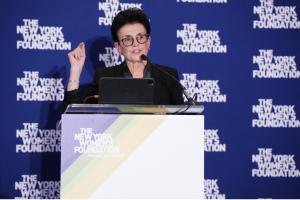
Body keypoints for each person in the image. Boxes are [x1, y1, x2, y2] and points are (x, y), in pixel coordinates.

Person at [63, 8, 183, 106]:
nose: (136, 44)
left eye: (140, 37)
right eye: (128, 39)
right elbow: (73, 117)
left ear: (148, 42)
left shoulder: (169, 77)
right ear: (118, 47)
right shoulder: (105, 77)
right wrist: (75, 71)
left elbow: (183, 120)